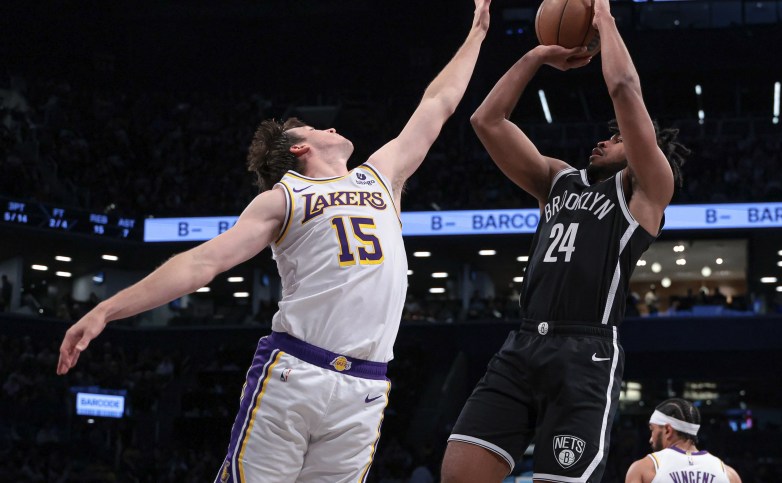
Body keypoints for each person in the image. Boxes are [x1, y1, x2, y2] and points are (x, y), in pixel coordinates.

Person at [56, 2, 491, 481]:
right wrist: (105, 310)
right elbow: (203, 263)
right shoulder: (285, 196)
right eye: (314, 127)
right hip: (295, 372)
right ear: (299, 149)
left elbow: (438, 104)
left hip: (367, 386)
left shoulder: (381, 176)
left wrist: (477, 32)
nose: (329, 125)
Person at [441, 0, 690, 481]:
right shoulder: (557, 179)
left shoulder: (646, 191)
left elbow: (622, 86)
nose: (603, 140)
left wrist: (603, 17)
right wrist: (536, 56)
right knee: (459, 474)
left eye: (616, 137)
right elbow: (486, 121)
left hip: (586, 353)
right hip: (522, 342)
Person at [625, 398, 742, 483]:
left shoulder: (644, 469)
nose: (651, 439)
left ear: (667, 430)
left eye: (652, 430)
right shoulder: (728, 474)